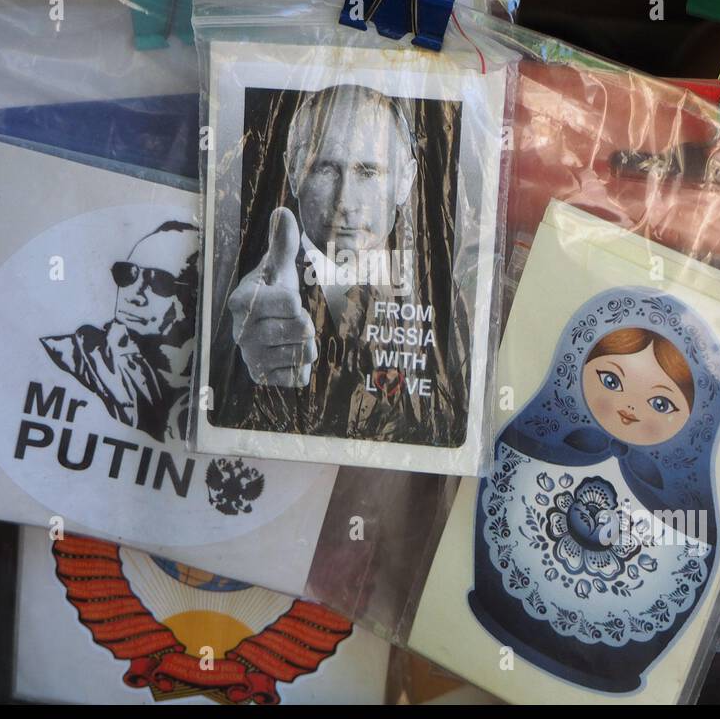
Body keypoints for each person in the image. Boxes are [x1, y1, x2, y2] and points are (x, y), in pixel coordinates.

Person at [211, 83, 467, 447]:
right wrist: (231, 344)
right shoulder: (247, 287)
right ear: (293, 170)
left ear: (405, 181)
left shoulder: (452, 292)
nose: (345, 201)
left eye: (368, 172)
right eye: (326, 169)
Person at [41, 219, 198, 443]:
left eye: (159, 282)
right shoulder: (76, 358)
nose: (133, 294)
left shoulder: (219, 392)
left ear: (196, 297)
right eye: (128, 275)